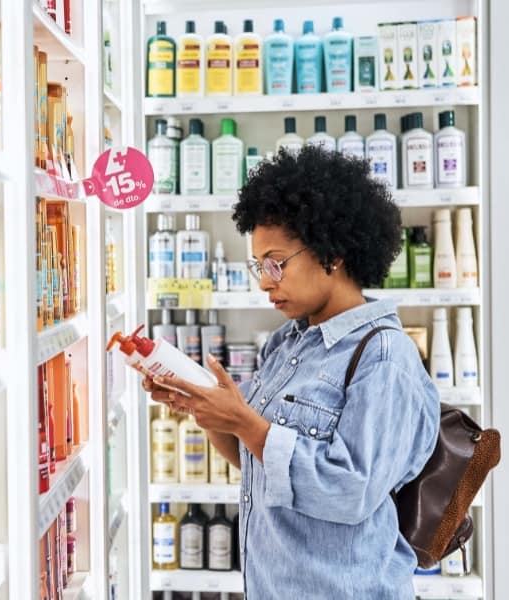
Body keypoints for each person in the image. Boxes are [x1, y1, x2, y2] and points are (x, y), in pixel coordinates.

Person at [143, 145, 440, 598]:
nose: (264, 280)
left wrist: (245, 421)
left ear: (331, 253)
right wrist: (203, 410)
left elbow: (350, 491)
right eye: (258, 265)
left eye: (275, 262)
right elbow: (259, 463)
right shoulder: (288, 342)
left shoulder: (384, 357)